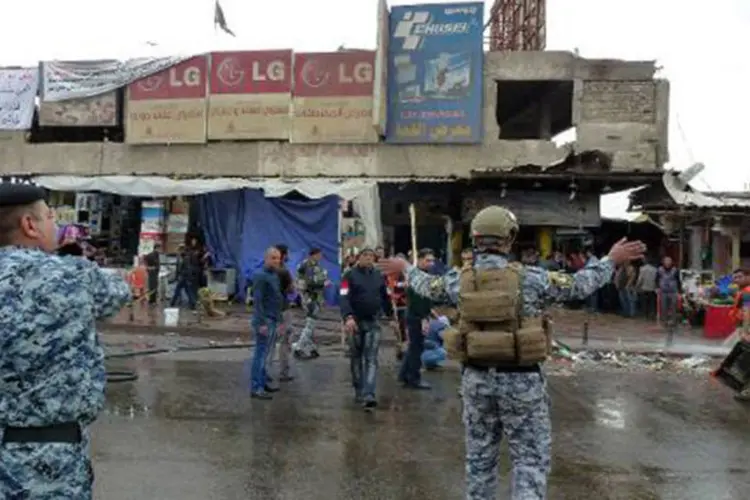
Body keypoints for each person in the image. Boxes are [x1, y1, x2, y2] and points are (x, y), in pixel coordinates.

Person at [378, 205, 645, 499]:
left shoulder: (458, 280)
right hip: (522, 382)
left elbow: (427, 285)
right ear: (510, 238)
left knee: (480, 462)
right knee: (529, 461)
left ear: (475, 238)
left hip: (477, 380)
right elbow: (578, 286)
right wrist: (610, 261)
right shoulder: (530, 278)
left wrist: (405, 268)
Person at [0, 183, 131, 499]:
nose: (55, 224)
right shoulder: (75, 275)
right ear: (29, 226)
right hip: (54, 462)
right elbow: (120, 293)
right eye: (48, 217)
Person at [340, 248, 393, 411]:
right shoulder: (348, 276)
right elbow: (343, 296)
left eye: (371, 256)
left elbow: (385, 296)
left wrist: (391, 316)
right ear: (358, 258)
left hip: (373, 321)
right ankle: (359, 390)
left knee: (371, 358)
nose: (368, 259)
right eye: (365, 256)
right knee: (356, 357)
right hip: (355, 322)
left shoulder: (379, 276)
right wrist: (348, 316)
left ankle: (369, 393)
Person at [399, 248, 436, 390]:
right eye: (427, 260)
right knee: (416, 348)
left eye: (432, 261)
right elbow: (417, 300)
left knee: (414, 346)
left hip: (420, 314)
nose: (430, 263)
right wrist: (423, 318)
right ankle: (414, 378)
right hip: (416, 315)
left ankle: (404, 375)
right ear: (419, 260)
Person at [249, 247, 283, 400]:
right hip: (265, 320)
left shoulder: (274, 276)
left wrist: (280, 320)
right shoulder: (260, 276)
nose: (276, 261)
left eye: (278, 258)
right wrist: (261, 322)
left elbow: (277, 298)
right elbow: (258, 301)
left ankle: (262, 382)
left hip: (273, 318)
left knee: (266, 353)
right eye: (273, 258)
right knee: (261, 354)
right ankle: (256, 387)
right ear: (266, 258)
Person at [266, 243, 294, 387]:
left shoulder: (266, 272)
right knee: (284, 341)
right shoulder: (284, 272)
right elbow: (290, 290)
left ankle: (265, 372)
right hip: (283, 309)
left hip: (270, 310)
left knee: (269, 342)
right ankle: (284, 371)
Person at [293, 248, 329, 360]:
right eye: (319, 255)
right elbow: (309, 283)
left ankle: (312, 348)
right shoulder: (308, 266)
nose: (320, 257)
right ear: (313, 255)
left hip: (313, 297)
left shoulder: (312, 265)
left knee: (311, 324)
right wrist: (323, 283)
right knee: (310, 323)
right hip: (311, 297)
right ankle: (298, 347)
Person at [657, 256, 681, 329]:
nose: (667, 262)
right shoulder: (659, 270)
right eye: (666, 261)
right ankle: (664, 322)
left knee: (674, 307)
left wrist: (679, 291)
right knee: (663, 307)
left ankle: (673, 322)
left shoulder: (675, 270)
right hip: (663, 291)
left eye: (669, 261)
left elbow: (678, 280)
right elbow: (656, 279)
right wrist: (657, 288)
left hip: (673, 291)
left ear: (671, 262)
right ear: (663, 262)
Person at [170, 244, 197, 310]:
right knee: (188, 291)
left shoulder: (184, 257)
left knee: (178, 290)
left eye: (179, 249)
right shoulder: (183, 257)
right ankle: (193, 303)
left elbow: (186, 268)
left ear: (181, 249)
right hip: (184, 277)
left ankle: (172, 303)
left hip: (183, 277)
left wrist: (181, 276)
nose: (178, 251)